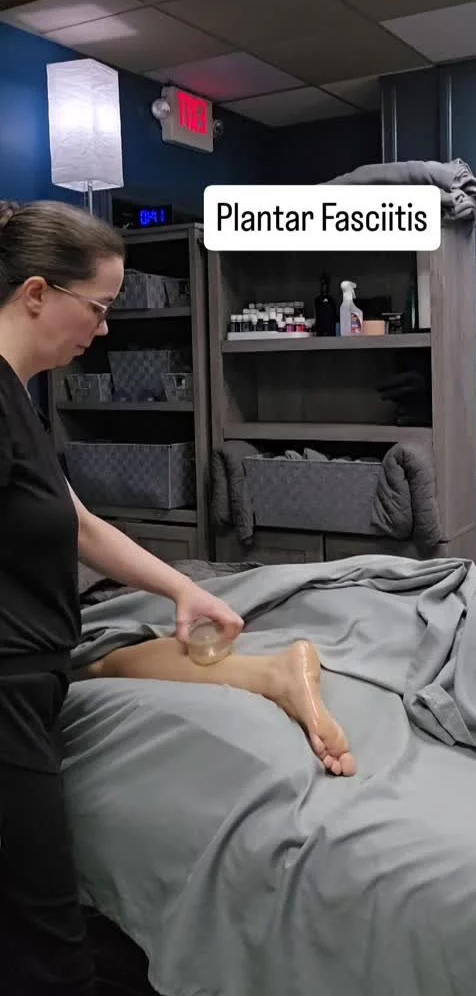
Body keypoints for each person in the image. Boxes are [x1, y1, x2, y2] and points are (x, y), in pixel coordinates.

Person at [0, 199, 355, 996]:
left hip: (43, 662)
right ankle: (271, 675)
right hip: (10, 689)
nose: (103, 330)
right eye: (96, 307)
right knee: (46, 937)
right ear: (34, 294)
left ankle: (270, 672)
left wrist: (183, 587)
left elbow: (80, 523)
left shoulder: (19, 398)